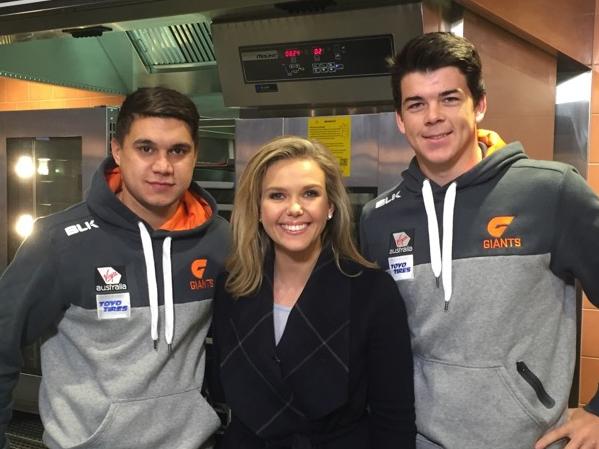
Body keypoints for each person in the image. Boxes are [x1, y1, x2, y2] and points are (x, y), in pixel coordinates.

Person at [360, 31, 599, 449]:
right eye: (416, 104)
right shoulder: (379, 219)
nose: (432, 116)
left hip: (531, 442)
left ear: (480, 105)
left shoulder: (552, 192)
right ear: (400, 120)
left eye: (449, 98)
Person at [0, 86, 230, 449]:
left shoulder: (218, 239)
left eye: (178, 151)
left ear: (195, 155)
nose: (162, 166)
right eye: (145, 148)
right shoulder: (59, 241)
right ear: (117, 151)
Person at [211, 136, 416, 449]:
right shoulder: (232, 287)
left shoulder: (371, 292)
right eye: (277, 195)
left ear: (330, 206)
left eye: (310, 193)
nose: (294, 209)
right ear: (258, 208)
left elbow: (394, 418)